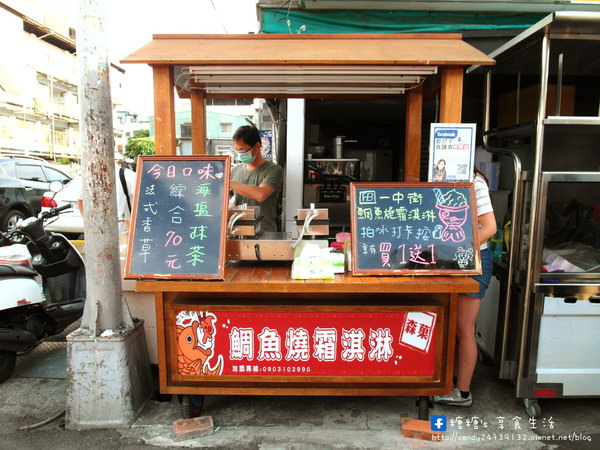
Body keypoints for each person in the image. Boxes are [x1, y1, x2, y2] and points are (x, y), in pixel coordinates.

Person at [434, 168, 497, 406]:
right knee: (450, 327)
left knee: (464, 329)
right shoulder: (441, 178)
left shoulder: (474, 180)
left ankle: (462, 392)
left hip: (472, 262)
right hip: (448, 262)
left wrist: (458, 245)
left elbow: (489, 228)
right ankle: (448, 382)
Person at [229, 125, 283, 233]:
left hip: (265, 233)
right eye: (237, 151)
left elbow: (261, 195)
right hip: (238, 232)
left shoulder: (273, 170)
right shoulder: (235, 170)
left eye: (243, 150)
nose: (240, 154)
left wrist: (228, 183)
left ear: (257, 146)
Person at [77, 159, 136, 234]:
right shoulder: (92, 176)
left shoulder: (127, 175)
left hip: (124, 235)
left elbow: (142, 201)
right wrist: (90, 224)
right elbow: (81, 200)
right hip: (100, 235)